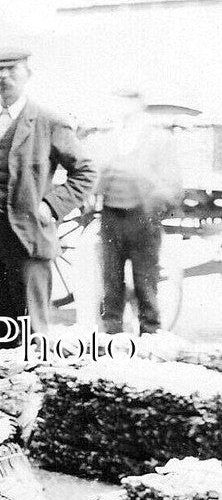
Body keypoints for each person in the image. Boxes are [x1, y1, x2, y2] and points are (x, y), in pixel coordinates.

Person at [0, 48, 97, 338]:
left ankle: (34, 379)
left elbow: (86, 172)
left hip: (28, 233)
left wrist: (51, 206)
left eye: (12, 70)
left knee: (31, 324)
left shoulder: (48, 121)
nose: (3, 76)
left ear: (27, 75)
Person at [95, 87, 182, 335]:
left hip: (142, 218)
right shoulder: (109, 139)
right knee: (111, 280)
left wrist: (151, 198)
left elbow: (173, 186)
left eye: (127, 101)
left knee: (146, 281)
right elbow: (95, 178)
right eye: (118, 101)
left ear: (138, 104)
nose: (121, 108)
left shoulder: (158, 139)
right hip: (111, 216)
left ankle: (150, 333)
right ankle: (110, 335)